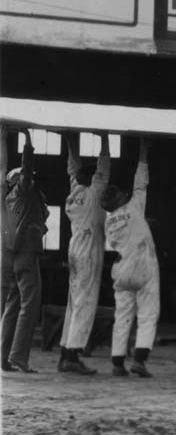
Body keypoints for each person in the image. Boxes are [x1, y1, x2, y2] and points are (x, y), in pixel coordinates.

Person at [102, 140, 158, 377]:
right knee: (148, 313)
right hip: (142, 264)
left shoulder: (108, 220)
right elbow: (140, 181)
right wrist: (143, 152)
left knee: (122, 315)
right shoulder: (134, 206)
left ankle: (117, 362)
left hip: (121, 267)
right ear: (121, 197)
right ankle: (140, 361)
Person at [59, 132, 110, 374]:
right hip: (88, 251)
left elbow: (72, 167)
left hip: (75, 250)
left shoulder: (75, 192)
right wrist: (105, 139)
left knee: (74, 302)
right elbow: (104, 169)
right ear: (91, 179)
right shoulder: (92, 194)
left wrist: (70, 141)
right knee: (84, 303)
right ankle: (71, 355)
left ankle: (65, 354)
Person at [1, 131, 48, 374]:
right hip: (27, 254)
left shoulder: (7, 199)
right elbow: (27, 170)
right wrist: (28, 143)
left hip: (12, 255)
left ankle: (3, 355)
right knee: (30, 304)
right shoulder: (22, 192)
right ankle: (19, 357)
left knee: (13, 304)